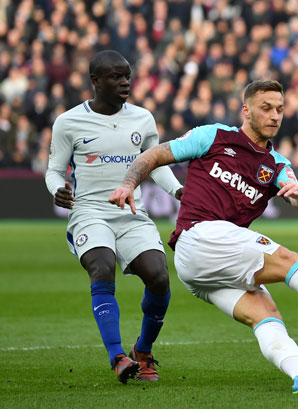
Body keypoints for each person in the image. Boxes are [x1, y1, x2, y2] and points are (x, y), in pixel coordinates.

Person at [108, 80, 298, 394]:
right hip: (200, 235)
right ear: (246, 110)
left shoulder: (276, 164)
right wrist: (127, 183)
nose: (275, 115)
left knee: (266, 312)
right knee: (287, 261)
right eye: (266, 108)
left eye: (280, 109)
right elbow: (153, 155)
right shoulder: (213, 136)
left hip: (202, 266)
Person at [45, 50, 183, 383]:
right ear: (95, 80)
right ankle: (117, 356)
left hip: (131, 212)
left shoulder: (142, 119)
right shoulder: (68, 122)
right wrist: (57, 190)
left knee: (160, 277)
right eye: (115, 76)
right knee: (101, 266)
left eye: (127, 76)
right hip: (89, 211)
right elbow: (53, 170)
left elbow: (155, 165)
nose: (125, 83)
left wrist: (180, 192)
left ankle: (143, 350)